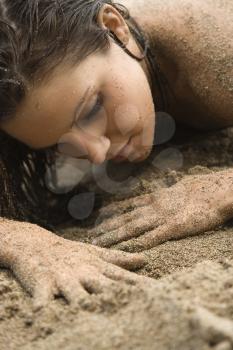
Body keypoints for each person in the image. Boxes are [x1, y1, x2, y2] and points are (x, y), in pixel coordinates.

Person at [0, 0, 232, 308]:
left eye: (91, 110)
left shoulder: (216, 49)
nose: (97, 154)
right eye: (57, 144)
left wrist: (218, 191)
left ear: (114, 28)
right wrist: (21, 240)